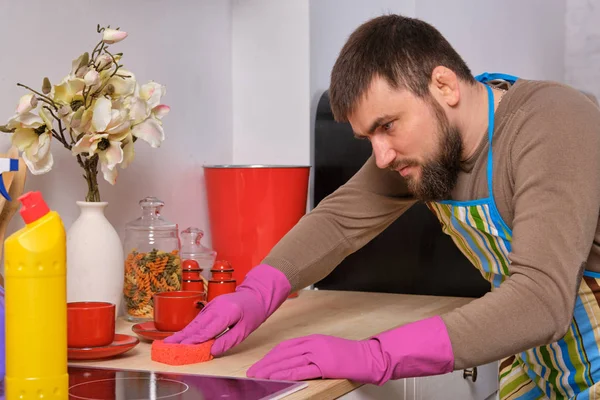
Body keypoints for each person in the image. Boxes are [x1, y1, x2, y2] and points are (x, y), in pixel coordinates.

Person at [165, 14, 600, 400]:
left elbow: (542, 300)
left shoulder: (552, 121)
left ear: (443, 85)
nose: (382, 156)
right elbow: (338, 221)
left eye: (387, 126)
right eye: (368, 139)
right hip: (541, 362)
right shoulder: (428, 150)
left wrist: (377, 354)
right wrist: (256, 293)